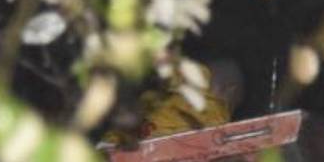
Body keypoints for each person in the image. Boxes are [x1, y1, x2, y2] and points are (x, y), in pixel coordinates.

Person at [103, 58, 246, 146]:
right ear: (230, 90)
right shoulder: (217, 111)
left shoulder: (159, 98)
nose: (229, 110)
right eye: (232, 105)